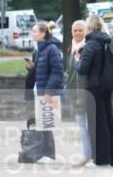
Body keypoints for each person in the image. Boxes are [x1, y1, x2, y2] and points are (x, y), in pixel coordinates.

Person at [76, 14, 113, 167]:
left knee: (97, 124)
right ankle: (112, 158)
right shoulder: (107, 41)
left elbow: (83, 69)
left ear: (89, 27)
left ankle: (101, 159)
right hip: (107, 86)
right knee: (108, 121)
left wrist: (77, 61)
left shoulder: (91, 44)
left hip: (94, 87)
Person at [31, 21, 63, 163]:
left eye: (35, 31)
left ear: (43, 33)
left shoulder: (51, 49)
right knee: (42, 123)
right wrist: (32, 67)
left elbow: (57, 72)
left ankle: (49, 155)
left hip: (48, 92)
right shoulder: (40, 50)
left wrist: (49, 92)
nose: (33, 34)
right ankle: (44, 153)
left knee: (47, 122)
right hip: (41, 90)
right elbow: (43, 69)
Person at [66, 20, 92, 167]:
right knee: (82, 126)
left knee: (90, 125)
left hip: (86, 92)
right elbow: (70, 72)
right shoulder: (71, 48)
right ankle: (87, 155)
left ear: (86, 31)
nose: (77, 33)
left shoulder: (87, 48)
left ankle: (93, 156)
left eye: (80, 30)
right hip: (74, 94)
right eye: (75, 30)